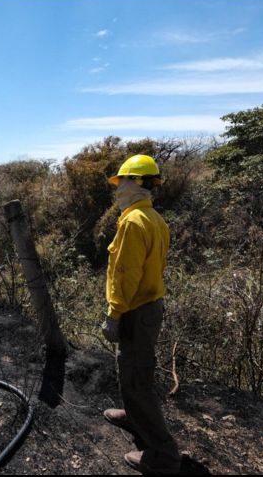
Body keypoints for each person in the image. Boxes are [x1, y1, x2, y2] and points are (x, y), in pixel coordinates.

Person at [100, 154, 181, 474]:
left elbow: (125, 273)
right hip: (148, 306)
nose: (117, 189)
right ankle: (134, 417)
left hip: (135, 308)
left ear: (137, 183)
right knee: (131, 371)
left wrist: (114, 313)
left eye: (122, 182)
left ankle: (164, 455)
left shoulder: (133, 222)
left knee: (137, 379)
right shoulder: (154, 219)